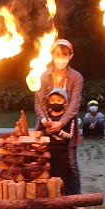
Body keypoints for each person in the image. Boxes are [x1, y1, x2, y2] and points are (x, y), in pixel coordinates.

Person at [34, 39, 83, 194]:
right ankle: (46, 195)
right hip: (46, 125)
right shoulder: (44, 75)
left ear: (70, 56)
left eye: (64, 55)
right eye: (57, 54)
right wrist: (44, 119)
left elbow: (75, 103)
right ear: (52, 55)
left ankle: (75, 197)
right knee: (43, 160)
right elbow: (39, 101)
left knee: (71, 162)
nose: (60, 58)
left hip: (67, 125)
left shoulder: (76, 77)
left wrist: (61, 123)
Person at [39, 88, 78, 191]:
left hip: (62, 153)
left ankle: (63, 197)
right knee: (48, 174)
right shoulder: (46, 117)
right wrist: (47, 131)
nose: (55, 102)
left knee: (62, 177)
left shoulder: (68, 118)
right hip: (47, 151)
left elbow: (69, 135)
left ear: (65, 102)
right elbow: (39, 133)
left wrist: (57, 130)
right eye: (52, 100)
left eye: (59, 100)